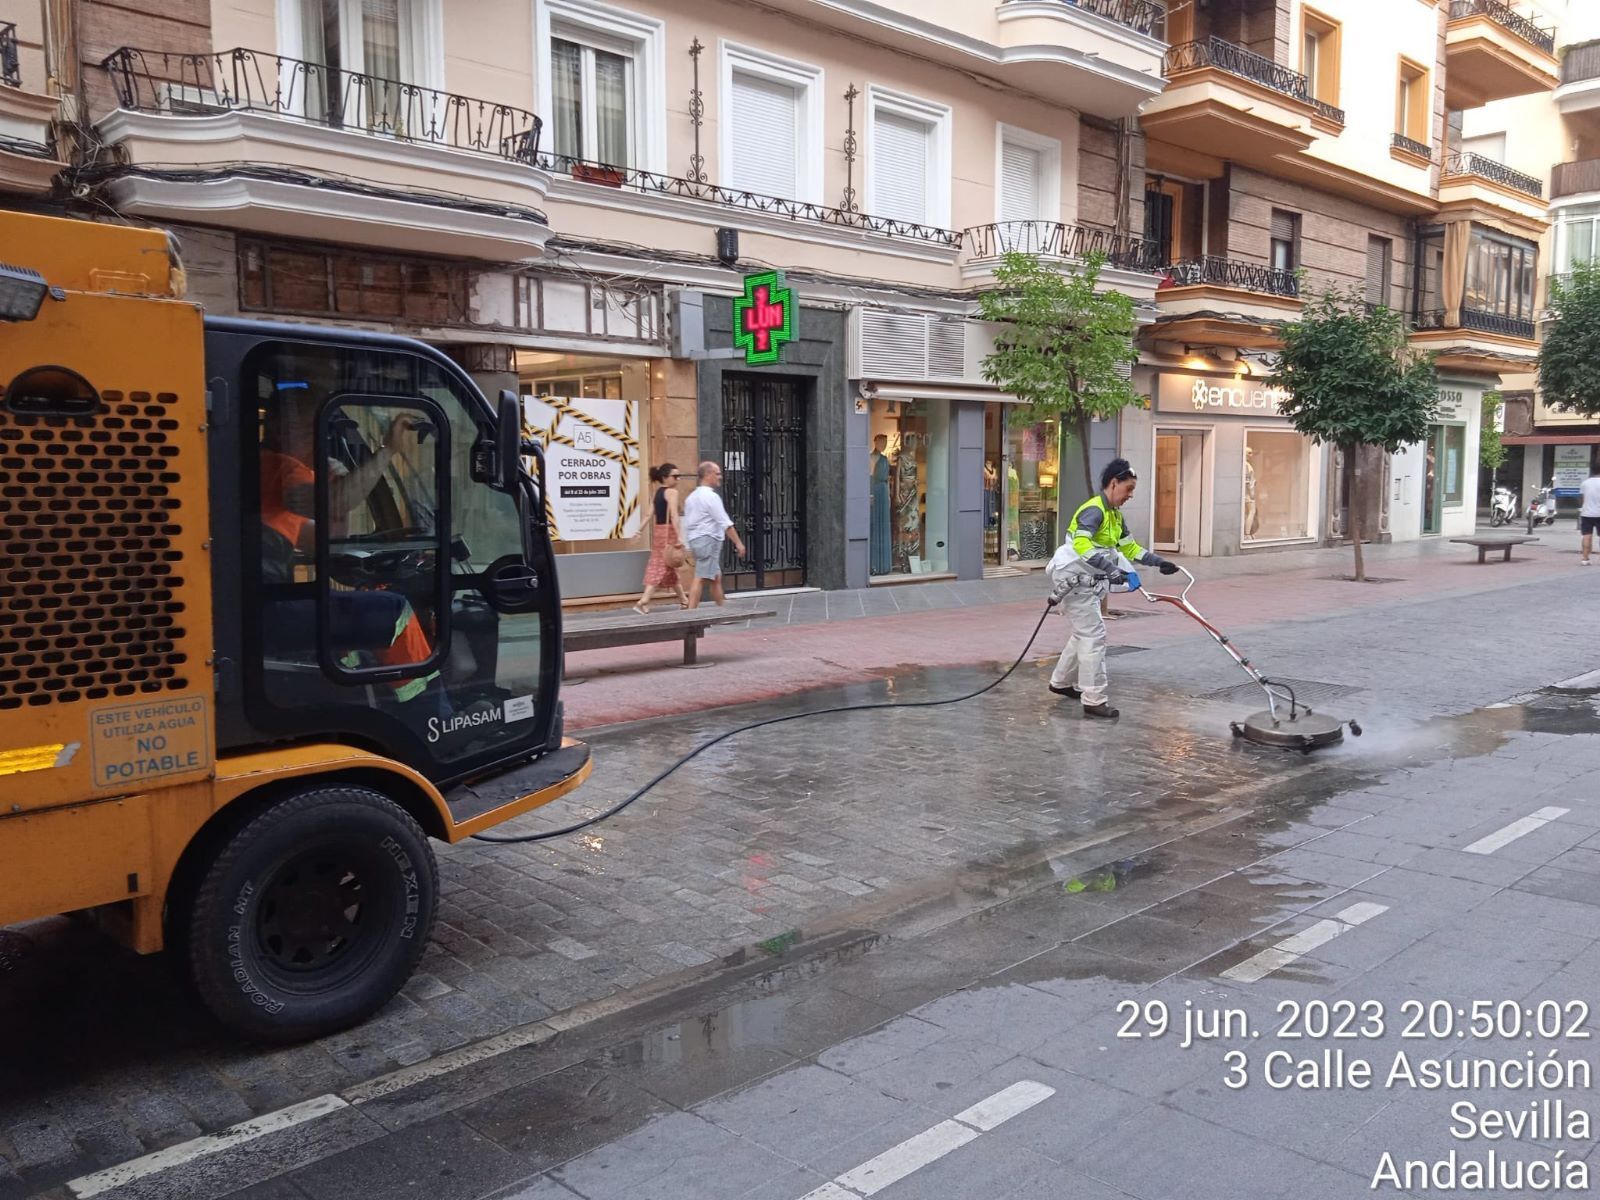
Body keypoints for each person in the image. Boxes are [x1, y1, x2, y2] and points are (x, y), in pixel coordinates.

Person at [259, 382, 446, 718]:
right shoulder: (278, 466)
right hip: (271, 611)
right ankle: (431, 716)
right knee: (395, 611)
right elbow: (336, 503)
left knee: (354, 633)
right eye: (303, 427)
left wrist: (337, 492)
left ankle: (372, 713)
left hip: (265, 606)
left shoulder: (269, 475)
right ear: (275, 426)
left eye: (316, 427)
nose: (311, 436)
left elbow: (326, 540)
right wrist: (388, 449)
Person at [1047, 458, 1180, 719]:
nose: (1130, 495)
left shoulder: (1115, 516)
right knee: (1094, 635)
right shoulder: (1094, 510)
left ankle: (1060, 682)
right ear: (1113, 483)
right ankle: (1094, 699)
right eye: (1128, 489)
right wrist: (1110, 569)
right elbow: (1082, 546)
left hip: (1085, 579)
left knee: (1083, 632)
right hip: (1072, 578)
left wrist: (1159, 562)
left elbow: (1129, 548)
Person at [681, 461, 747, 608]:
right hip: (708, 540)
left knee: (716, 577)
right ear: (707, 475)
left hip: (696, 540)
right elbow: (725, 522)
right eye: (717, 474)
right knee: (700, 577)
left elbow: (688, 523)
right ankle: (690, 615)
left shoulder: (691, 497)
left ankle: (721, 611)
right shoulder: (711, 497)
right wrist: (738, 543)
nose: (720, 477)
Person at [635, 463, 689, 612]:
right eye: (675, 476)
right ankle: (644, 600)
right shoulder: (672, 492)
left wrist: (638, 531)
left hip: (658, 532)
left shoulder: (657, 492)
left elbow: (648, 514)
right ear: (665, 477)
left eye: (679, 476)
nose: (677, 479)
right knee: (660, 565)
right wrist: (679, 537)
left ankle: (684, 600)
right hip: (669, 532)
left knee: (668, 566)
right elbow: (674, 515)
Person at [1582, 459, 1600, 566]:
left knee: (1587, 535)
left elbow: (1582, 499)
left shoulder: (1585, 483)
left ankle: (1585, 558)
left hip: (1587, 513)